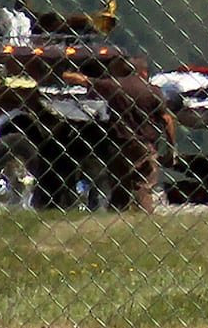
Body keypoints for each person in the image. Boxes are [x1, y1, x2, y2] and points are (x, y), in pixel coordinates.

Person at [60, 57, 176, 213]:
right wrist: (171, 145)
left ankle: (116, 218)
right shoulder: (153, 90)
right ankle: (144, 217)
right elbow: (167, 119)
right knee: (143, 186)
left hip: (119, 143)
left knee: (119, 187)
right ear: (143, 72)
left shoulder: (113, 86)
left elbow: (85, 80)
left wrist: (65, 74)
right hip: (145, 145)